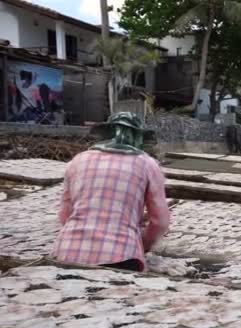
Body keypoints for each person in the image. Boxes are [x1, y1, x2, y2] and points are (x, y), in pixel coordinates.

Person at [52, 112, 170, 272]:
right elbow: (160, 222)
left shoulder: (78, 160)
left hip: (67, 251)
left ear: (106, 133)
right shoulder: (148, 164)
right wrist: (143, 244)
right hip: (122, 256)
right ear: (138, 137)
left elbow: (65, 215)